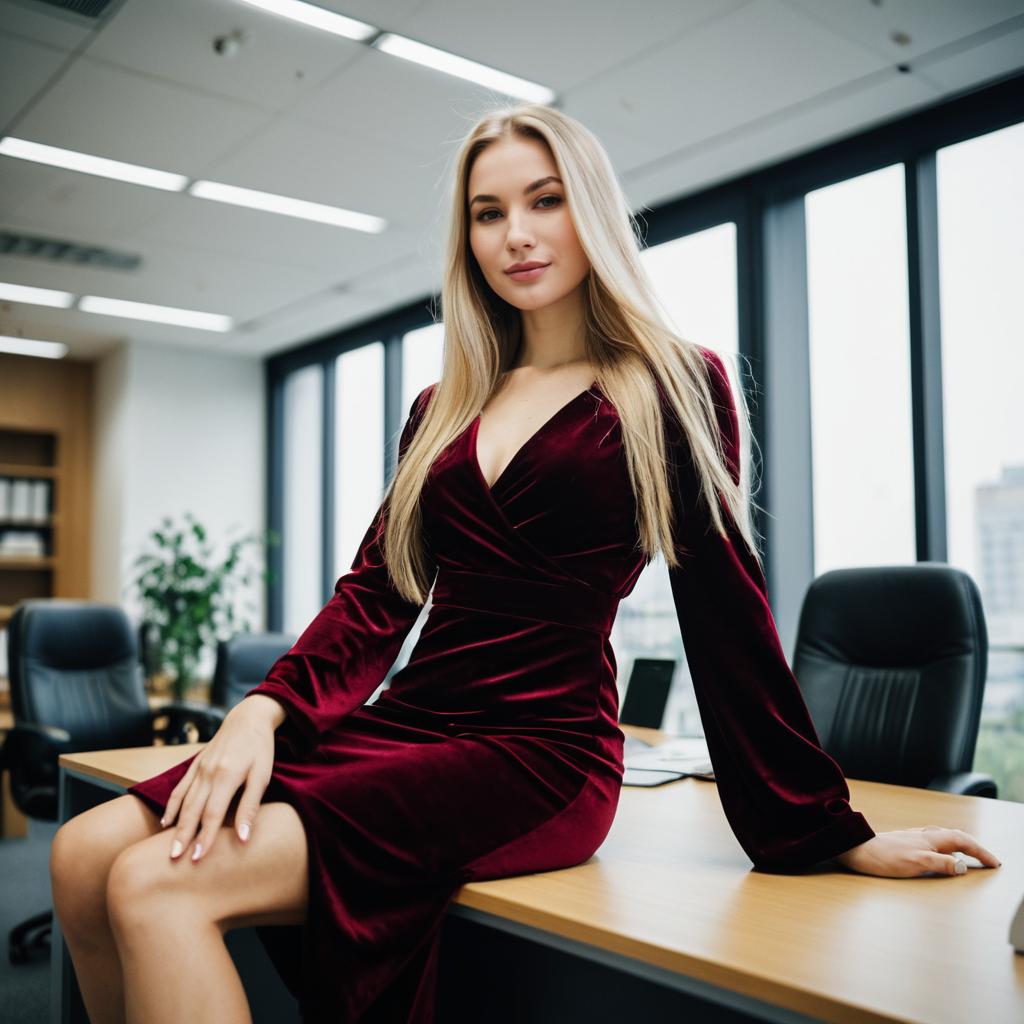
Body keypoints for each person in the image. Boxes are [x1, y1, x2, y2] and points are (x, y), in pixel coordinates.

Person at [49, 103, 1001, 1024]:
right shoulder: (441, 405)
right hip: (409, 722)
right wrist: (265, 709)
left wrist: (826, 828)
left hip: (539, 751)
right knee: (84, 854)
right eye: (488, 212)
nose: (517, 234)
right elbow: (377, 595)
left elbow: (725, 613)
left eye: (545, 201)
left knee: (155, 884)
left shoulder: (674, 383)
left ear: (591, 210)